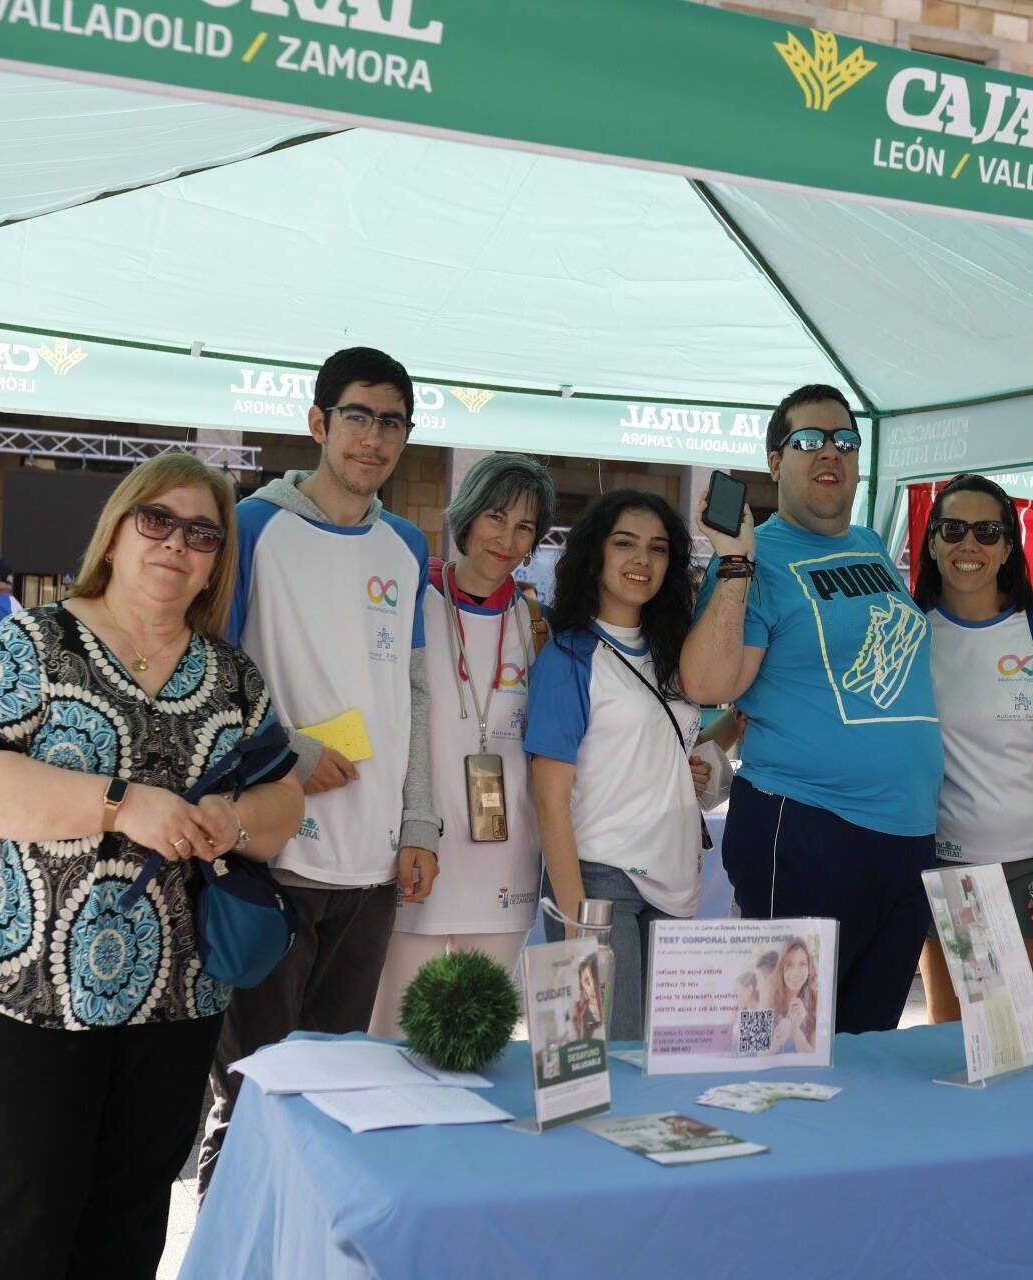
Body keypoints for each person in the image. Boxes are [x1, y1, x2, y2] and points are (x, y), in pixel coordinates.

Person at [0, 453, 303, 1280]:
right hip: (33, 986)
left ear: (216, 560)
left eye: (201, 533)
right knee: (20, 1216)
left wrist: (234, 819)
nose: (177, 544)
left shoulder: (231, 676)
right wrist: (123, 802)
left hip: (178, 993)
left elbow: (286, 805)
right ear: (119, 530)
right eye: (157, 521)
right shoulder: (39, 639)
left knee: (129, 1219)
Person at [201, 346, 437, 1193]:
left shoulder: (408, 546)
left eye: (392, 422)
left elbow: (414, 697)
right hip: (270, 854)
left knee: (336, 1090)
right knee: (253, 1090)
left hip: (371, 870)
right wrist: (287, 751)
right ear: (318, 423)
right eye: (357, 416)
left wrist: (417, 824)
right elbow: (211, 673)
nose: (373, 437)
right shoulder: (254, 526)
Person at [682, 385, 942, 1035]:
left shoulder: (871, 545)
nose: (830, 451)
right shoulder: (756, 558)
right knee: (781, 1044)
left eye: (845, 440)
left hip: (906, 837)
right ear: (775, 462)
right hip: (805, 830)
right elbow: (710, 681)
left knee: (869, 1047)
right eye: (808, 440)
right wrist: (734, 561)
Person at [367, 454, 556, 1038]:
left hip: (507, 863)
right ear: (468, 517)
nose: (506, 538)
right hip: (419, 852)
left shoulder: (535, 622)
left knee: (478, 1040)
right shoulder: (414, 601)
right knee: (391, 1035)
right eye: (496, 518)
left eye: (525, 527)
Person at [528, 489, 705, 1041]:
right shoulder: (569, 657)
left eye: (657, 549)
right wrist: (577, 921)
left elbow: (665, 745)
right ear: (594, 554)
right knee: (606, 1055)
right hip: (600, 877)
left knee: (661, 1059)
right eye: (624, 543)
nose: (641, 561)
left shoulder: (680, 653)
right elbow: (549, 798)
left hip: (676, 882)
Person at [913, 474, 1033, 1018]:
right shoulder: (910, 630)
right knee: (956, 1037)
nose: (970, 544)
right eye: (954, 529)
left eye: (987, 531)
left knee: (1018, 1039)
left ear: (1009, 546)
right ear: (934, 542)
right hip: (948, 864)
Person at [764, 937, 818, 1055]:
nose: (795, 972)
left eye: (802, 964)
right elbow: (759, 1055)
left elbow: (813, 1057)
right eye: (789, 964)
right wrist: (776, 1044)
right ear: (781, 968)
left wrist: (794, 1029)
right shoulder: (769, 994)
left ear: (809, 968)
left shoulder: (814, 999)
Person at [570, 955, 605, 1041]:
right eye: (587, 981)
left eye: (596, 978)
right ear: (583, 990)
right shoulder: (588, 1022)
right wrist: (577, 1033)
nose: (593, 986)